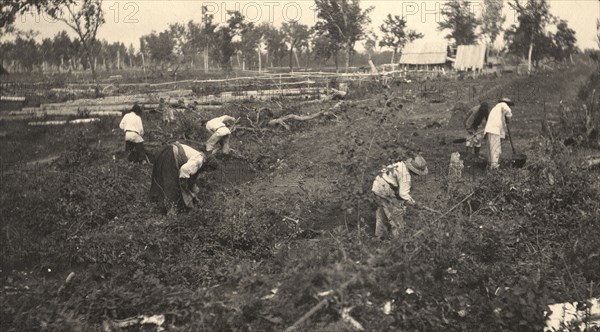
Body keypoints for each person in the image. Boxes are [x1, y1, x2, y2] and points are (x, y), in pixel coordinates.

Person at [371, 155, 429, 239]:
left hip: (378, 185)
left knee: (382, 214)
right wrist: (415, 203)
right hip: (385, 190)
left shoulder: (400, 164)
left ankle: (379, 237)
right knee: (396, 217)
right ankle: (400, 240)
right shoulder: (406, 176)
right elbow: (403, 194)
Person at [149, 142, 217, 213]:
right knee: (172, 185)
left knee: (166, 181)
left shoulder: (199, 158)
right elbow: (184, 170)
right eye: (209, 169)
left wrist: (193, 194)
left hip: (167, 151)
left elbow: (191, 179)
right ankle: (171, 211)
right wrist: (184, 185)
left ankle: (160, 205)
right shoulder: (199, 160)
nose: (207, 171)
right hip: (170, 154)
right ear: (208, 165)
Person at [484, 98, 514, 170]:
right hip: (494, 130)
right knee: (495, 150)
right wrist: (509, 118)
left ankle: (490, 165)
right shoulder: (502, 105)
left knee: (491, 149)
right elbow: (508, 112)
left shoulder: (496, 109)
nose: (510, 107)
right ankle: (494, 167)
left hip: (490, 130)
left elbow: (502, 123)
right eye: (509, 105)